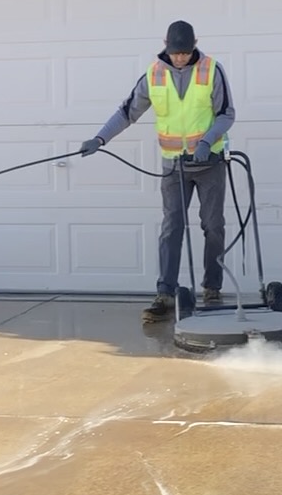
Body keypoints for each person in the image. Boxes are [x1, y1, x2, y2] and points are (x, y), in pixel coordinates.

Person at [79, 20, 236, 323]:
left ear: (195, 45)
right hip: (173, 165)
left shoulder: (211, 70)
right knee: (172, 227)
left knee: (213, 225)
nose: (180, 58)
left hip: (209, 163)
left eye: (186, 53)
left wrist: (206, 141)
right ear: (166, 44)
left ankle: (212, 288)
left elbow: (227, 114)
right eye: (175, 52)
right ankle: (166, 293)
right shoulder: (154, 74)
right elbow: (128, 112)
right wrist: (100, 138)